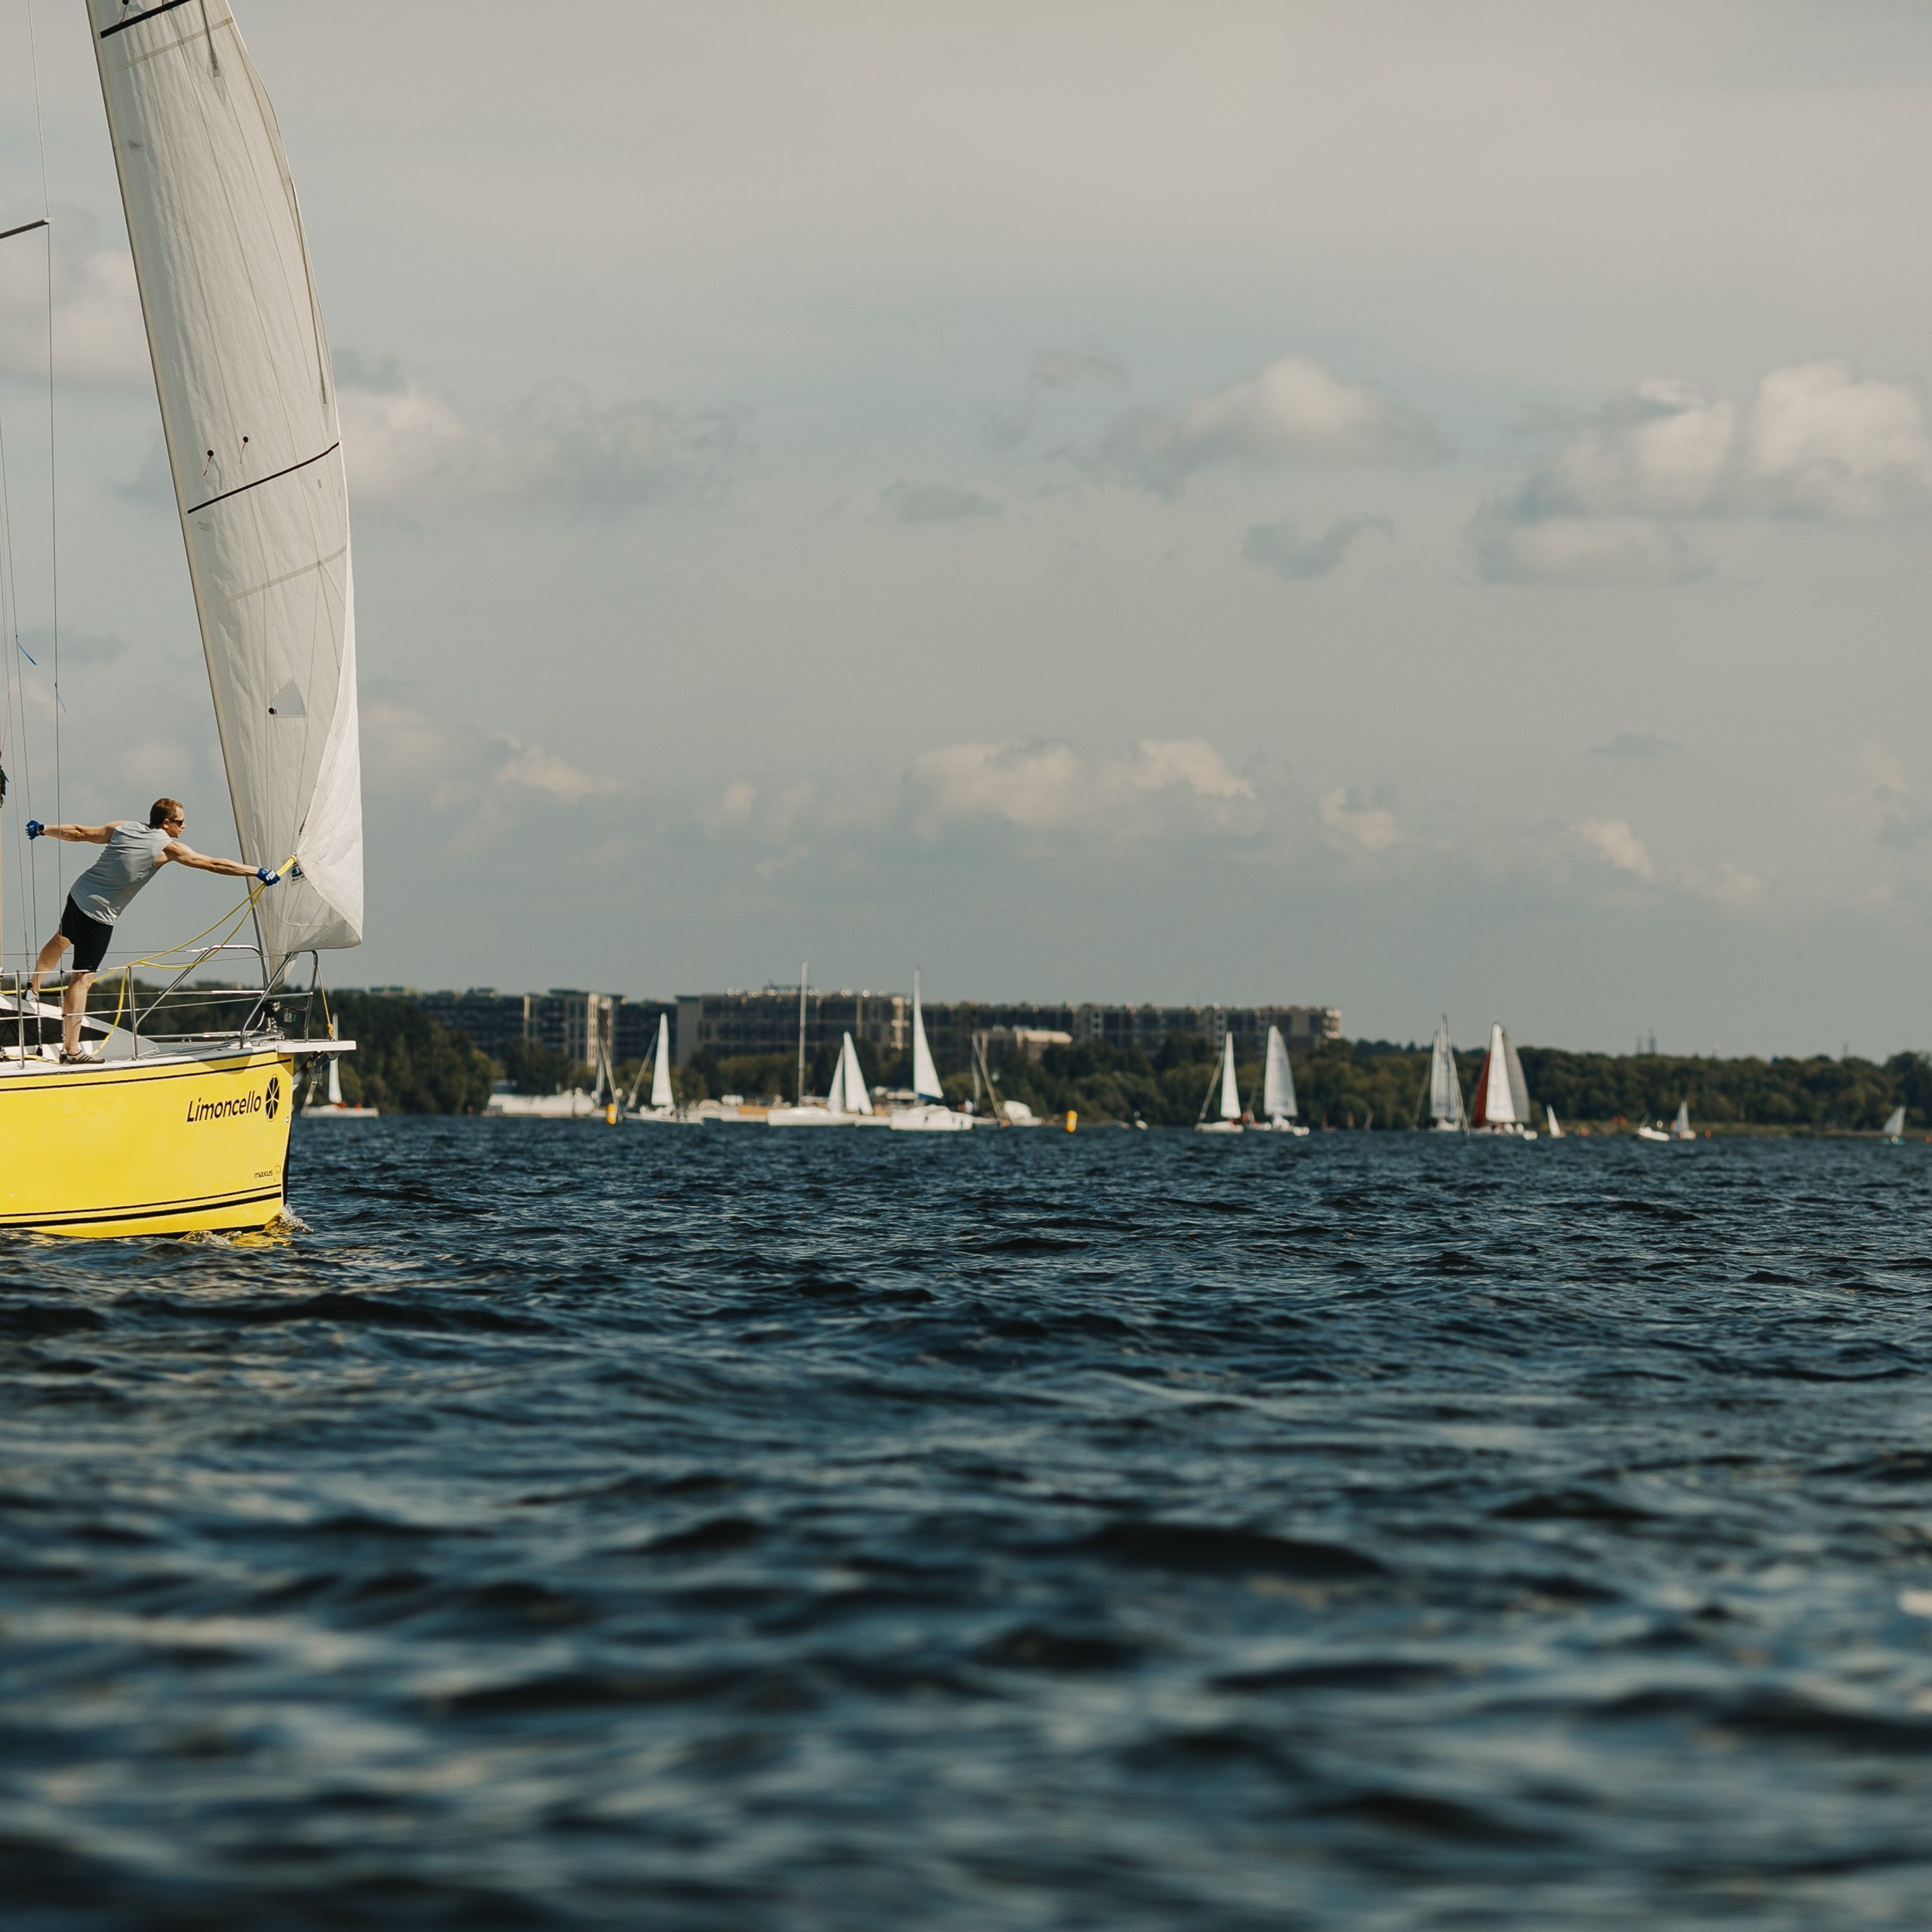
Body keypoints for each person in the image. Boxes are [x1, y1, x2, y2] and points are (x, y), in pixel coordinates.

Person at [25, 798, 280, 1063]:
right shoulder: (166, 847)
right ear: (167, 823)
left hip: (79, 894)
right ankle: (72, 1050)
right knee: (82, 978)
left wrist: (43, 828)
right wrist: (257, 871)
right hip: (99, 916)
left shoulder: (123, 826)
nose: (184, 827)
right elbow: (213, 864)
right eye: (180, 822)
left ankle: (32, 987)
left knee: (62, 938)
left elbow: (79, 833)